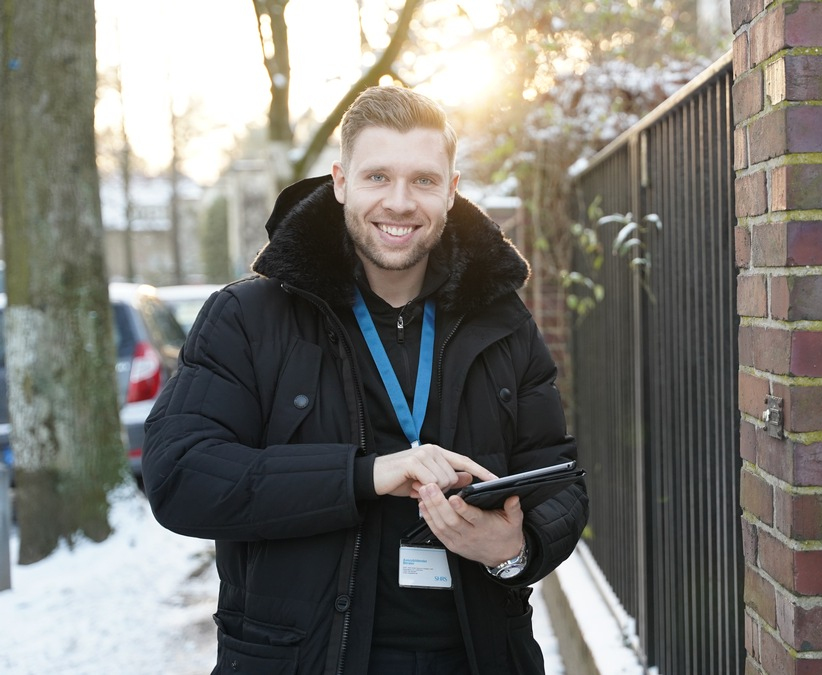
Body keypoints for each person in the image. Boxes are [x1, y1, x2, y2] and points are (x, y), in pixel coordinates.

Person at [142, 85, 588, 675]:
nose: (400, 203)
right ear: (340, 182)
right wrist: (366, 474)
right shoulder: (247, 317)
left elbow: (559, 480)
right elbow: (181, 476)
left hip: (478, 656)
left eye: (424, 181)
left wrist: (514, 549)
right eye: (378, 176)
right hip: (299, 661)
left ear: (451, 191)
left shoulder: (503, 321)